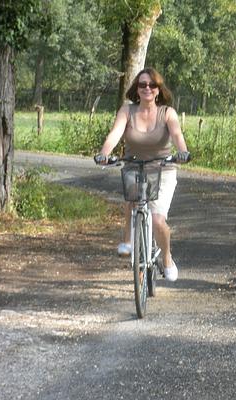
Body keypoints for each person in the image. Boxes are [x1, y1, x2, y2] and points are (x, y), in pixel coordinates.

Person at [95, 67, 189, 282]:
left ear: (158, 90)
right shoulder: (127, 111)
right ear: (136, 89)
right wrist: (104, 154)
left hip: (162, 168)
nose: (147, 88)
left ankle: (166, 258)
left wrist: (182, 152)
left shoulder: (168, 113)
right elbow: (115, 134)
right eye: (142, 84)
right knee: (131, 201)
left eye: (152, 85)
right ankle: (127, 241)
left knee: (157, 220)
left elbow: (177, 135)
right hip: (134, 166)